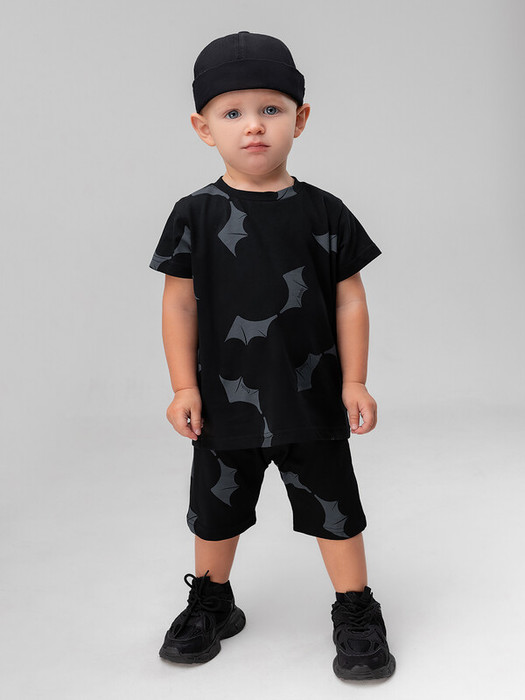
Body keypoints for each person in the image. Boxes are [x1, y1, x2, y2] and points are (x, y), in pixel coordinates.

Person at [149, 30, 396, 681]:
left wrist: (355, 381)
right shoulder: (195, 215)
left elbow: (350, 301)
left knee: (335, 509)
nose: (253, 125)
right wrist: (183, 387)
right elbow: (179, 306)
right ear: (204, 128)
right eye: (232, 112)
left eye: (270, 109)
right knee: (214, 512)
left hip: (311, 399)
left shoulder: (324, 213)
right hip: (224, 401)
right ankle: (213, 602)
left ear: (299, 118)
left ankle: (355, 607)